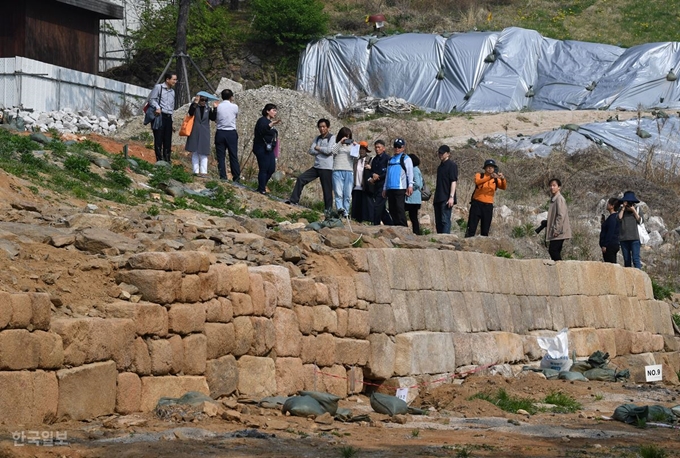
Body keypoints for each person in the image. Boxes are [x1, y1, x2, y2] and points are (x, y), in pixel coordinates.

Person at [287, 118, 334, 211]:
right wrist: (321, 150)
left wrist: (318, 148)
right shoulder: (317, 138)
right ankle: (293, 200)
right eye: (320, 127)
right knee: (301, 178)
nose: (322, 129)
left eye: (324, 126)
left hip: (326, 167)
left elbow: (329, 151)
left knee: (327, 190)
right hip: (316, 166)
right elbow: (311, 150)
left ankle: (328, 210)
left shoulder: (332, 137)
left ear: (328, 127)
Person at [465, 159, 507, 237]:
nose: (490, 168)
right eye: (488, 167)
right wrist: (489, 177)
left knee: (485, 229)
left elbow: (503, 187)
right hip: (477, 204)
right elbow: (478, 182)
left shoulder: (496, 179)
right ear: (485, 168)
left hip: (488, 206)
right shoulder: (479, 175)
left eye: (492, 167)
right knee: (471, 227)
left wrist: (502, 178)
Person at [382, 138, 413, 227]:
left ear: (403, 148)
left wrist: (410, 185)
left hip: (400, 188)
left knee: (400, 209)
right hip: (390, 188)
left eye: (399, 147)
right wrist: (384, 188)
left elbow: (410, 173)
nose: (397, 148)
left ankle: (403, 227)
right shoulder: (390, 160)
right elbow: (387, 175)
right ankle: (396, 226)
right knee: (392, 209)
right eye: (395, 146)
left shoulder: (406, 159)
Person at [210, 89, 240, 182]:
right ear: (231, 97)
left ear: (222, 97)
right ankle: (236, 177)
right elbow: (235, 116)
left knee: (221, 156)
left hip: (220, 132)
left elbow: (214, 118)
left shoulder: (218, 107)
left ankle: (223, 176)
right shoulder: (235, 106)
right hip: (231, 132)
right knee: (233, 156)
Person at [148, 73, 177, 162]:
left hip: (168, 117)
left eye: (176, 80)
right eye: (174, 79)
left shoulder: (172, 92)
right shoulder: (158, 87)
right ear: (167, 80)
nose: (175, 81)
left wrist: (172, 121)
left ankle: (167, 160)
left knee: (168, 140)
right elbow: (151, 99)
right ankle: (159, 160)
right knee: (158, 139)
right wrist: (157, 107)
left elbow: (172, 107)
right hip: (159, 116)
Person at [252, 103, 280, 194]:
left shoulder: (270, 123)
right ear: (267, 111)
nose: (275, 112)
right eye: (273, 110)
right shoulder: (262, 121)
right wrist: (270, 125)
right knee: (264, 168)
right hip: (261, 148)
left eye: (276, 110)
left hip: (269, 149)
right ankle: (261, 189)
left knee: (271, 169)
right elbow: (262, 130)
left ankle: (262, 185)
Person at [433, 145, 458, 234]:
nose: (440, 155)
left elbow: (453, 181)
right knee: (438, 222)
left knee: (445, 220)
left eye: (442, 153)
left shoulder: (452, 165)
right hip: (438, 197)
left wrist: (451, 197)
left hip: (446, 197)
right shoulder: (440, 167)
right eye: (439, 153)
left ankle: (446, 241)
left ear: (448, 154)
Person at [185, 94, 212, 177]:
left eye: (205, 100)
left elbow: (213, 118)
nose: (203, 102)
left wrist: (216, 109)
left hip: (204, 132)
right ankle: (195, 171)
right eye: (202, 100)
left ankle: (204, 172)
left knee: (204, 152)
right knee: (195, 151)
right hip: (195, 130)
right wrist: (195, 103)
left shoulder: (208, 109)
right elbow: (190, 113)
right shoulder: (195, 106)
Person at [331, 127, 355, 217]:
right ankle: (340, 209)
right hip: (337, 170)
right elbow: (332, 151)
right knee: (338, 192)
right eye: (345, 136)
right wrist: (340, 142)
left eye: (348, 137)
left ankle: (346, 212)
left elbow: (356, 156)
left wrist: (355, 146)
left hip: (349, 170)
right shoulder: (336, 144)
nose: (346, 139)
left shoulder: (352, 146)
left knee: (347, 193)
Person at [545, 178, 571, 261]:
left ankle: (561, 269)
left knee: (553, 250)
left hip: (559, 232)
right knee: (555, 251)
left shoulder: (559, 199)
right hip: (557, 231)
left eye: (554, 185)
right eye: (551, 186)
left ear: (559, 187)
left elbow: (561, 215)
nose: (552, 187)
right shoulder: (554, 199)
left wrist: (556, 230)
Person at [368, 140, 393, 226]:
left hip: (384, 186)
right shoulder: (375, 159)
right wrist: (373, 175)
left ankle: (376, 225)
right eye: (376, 147)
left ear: (383, 148)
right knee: (381, 209)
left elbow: (388, 172)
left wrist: (379, 176)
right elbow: (371, 171)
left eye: (379, 147)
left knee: (377, 206)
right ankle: (390, 225)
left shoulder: (388, 159)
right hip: (376, 186)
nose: (377, 149)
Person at [618, 190, 643, 268]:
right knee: (627, 260)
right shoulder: (621, 209)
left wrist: (634, 211)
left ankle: (639, 278)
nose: (629, 203)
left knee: (636, 259)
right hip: (624, 239)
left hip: (635, 238)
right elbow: (619, 219)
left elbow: (640, 221)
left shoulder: (637, 209)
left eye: (630, 202)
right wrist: (623, 208)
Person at [351, 141, 373, 222]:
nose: (362, 151)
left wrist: (370, 168)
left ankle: (368, 221)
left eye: (363, 149)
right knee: (356, 206)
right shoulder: (355, 160)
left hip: (365, 187)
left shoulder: (370, 160)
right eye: (360, 149)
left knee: (366, 207)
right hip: (355, 186)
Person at [404, 153, 423, 234]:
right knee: (413, 217)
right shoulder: (416, 169)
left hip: (412, 198)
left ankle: (413, 232)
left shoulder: (414, 170)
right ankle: (416, 232)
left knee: (412, 216)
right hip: (415, 199)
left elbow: (418, 184)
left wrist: (409, 188)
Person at [599, 197, 621, 263]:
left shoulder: (612, 218)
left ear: (612, 206)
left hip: (610, 245)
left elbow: (610, 232)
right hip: (613, 244)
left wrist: (605, 245)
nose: (607, 204)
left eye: (608, 203)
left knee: (610, 265)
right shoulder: (614, 217)